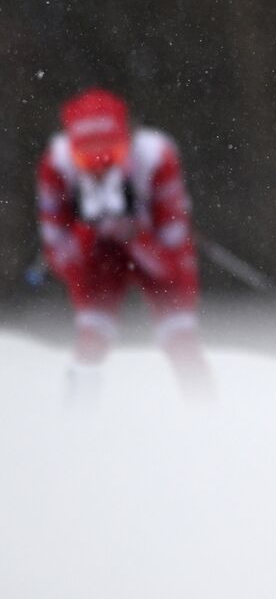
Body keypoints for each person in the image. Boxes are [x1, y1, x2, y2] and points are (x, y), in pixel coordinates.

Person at [36, 87, 214, 403]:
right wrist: (88, 231)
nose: (101, 169)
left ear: (130, 139)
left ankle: (206, 411)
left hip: (148, 242)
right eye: (86, 160)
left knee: (179, 333)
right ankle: (76, 420)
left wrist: (135, 234)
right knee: (92, 334)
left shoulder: (157, 159)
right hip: (96, 255)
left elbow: (173, 261)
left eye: (112, 156)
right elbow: (61, 261)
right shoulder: (56, 167)